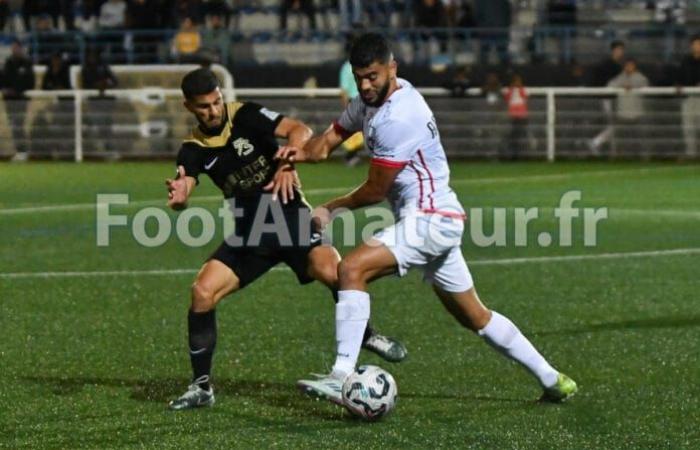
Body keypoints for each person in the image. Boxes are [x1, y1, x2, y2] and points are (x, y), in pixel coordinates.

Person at [274, 33, 577, 404]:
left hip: (431, 219)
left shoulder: (400, 116)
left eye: (373, 76)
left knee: (351, 270)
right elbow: (324, 144)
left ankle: (341, 376)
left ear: (392, 69)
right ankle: (553, 379)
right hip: (433, 219)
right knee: (474, 316)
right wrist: (295, 155)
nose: (366, 85)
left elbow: (374, 190)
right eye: (359, 77)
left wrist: (330, 208)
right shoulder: (366, 103)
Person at [166, 68, 407, 410]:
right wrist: (180, 196)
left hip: (290, 217)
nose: (214, 110)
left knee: (333, 271)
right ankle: (201, 387)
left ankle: (366, 335)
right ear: (189, 106)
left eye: (217, 101)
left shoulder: (246, 115)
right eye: (204, 106)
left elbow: (299, 130)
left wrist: (287, 162)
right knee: (202, 292)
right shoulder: (192, 149)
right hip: (251, 233)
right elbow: (185, 186)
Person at [588, 41, 625, 155]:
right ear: (613, 50)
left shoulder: (618, 66)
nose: (620, 52)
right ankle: (596, 142)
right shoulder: (607, 65)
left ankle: (610, 149)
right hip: (606, 98)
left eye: (621, 50)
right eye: (618, 49)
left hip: (614, 99)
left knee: (614, 125)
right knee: (613, 124)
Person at [607, 58, 649, 156]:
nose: (628, 67)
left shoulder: (640, 78)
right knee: (622, 137)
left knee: (639, 137)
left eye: (631, 65)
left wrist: (633, 86)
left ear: (634, 66)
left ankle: (641, 155)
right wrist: (622, 86)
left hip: (637, 114)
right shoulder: (620, 77)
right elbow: (610, 85)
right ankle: (621, 155)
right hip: (623, 114)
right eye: (627, 65)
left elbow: (645, 86)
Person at [2, 40, 35, 162]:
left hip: (21, 100)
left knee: (18, 124)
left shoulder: (26, 63)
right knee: (14, 125)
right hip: (9, 100)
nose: (14, 50)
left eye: (16, 47)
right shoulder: (8, 63)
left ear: (21, 48)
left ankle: (23, 151)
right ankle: (20, 150)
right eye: (13, 47)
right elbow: (3, 79)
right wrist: (5, 89)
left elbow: (29, 82)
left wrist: (16, 90)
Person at [339, 31, 364, 167]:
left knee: (359, 131)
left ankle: (351, 156)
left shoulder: (350, 67)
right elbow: (344, 90)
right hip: (354, 101)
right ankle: (350, 156)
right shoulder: (348, 68)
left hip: (361, 100)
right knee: (356, 132)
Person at [677, 34, 700, 157]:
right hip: (688, 97)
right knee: (688, 128)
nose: (697, 47)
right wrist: (679, 84)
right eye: (695, 44)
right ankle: (691, 154)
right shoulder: (686, 60)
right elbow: (680, 76)